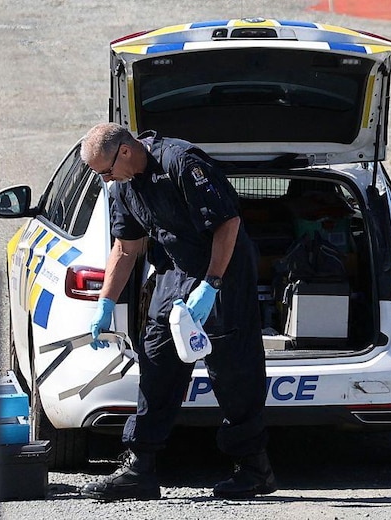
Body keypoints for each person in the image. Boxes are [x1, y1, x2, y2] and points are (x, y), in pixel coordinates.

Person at [78, 123, 276, 501]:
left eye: (105, 171)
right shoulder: (124, 187)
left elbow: (228, 223)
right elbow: (126, 247)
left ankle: (254, 469)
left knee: (233, 371)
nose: (105, 180)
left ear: (125, 151)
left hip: (224, 272)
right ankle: (140, 469)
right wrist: (105, 302)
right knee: (156, 363)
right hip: (175, 274)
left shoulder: (180, 162)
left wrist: (212, 285)